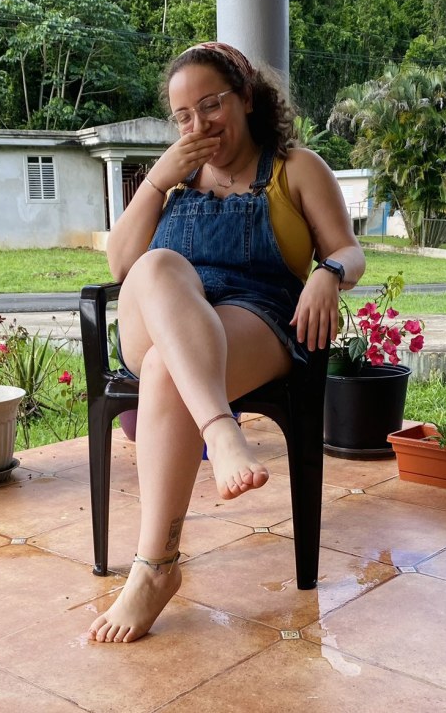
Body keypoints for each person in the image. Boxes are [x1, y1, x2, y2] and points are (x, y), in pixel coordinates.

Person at [88, 42, 365, 643]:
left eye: (210, 106)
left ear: (245, 97)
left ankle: (156, 568)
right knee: (158, 264)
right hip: (160, 310)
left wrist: (328, 273)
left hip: (254, 315)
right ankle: (222, 432)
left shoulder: (296, 168)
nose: (198, 125)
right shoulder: (173, 178)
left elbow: (347, 248)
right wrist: (160, 177)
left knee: (167, 369)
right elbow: (119, 264)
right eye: (183, 116)